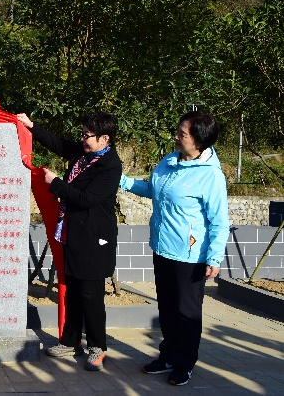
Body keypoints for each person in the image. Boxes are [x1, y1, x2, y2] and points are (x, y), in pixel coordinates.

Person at [119, 111, 229, 386]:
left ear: (199, 141)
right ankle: (167, 356)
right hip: (163, 248)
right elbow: (154, 189)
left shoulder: (211, 175)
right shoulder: (169, 161)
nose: (176, 137)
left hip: (190, 256)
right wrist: (122, 181)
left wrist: (214, 257)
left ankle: (184, 363)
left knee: (186, 312)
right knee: (167, 309)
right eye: (178, 131)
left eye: (182, 134)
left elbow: (219, 221)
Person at [17, 112, 122, 372]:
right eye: (82, 134)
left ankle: (97, 347)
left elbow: (86, 199)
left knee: (91, 295)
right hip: (73, 233)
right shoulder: (84, 154)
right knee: (73, 290)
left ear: (104, 138)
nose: (82, 139)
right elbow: (59, 144)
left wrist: (56, 183)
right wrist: (31, 126)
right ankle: (70, 341)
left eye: (87, 135)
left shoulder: (110, 165)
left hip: (94, 239)